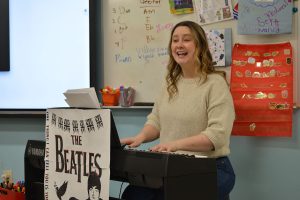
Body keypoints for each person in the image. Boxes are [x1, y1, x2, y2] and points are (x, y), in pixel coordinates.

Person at [120, 21, 235, 200]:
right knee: (133, 194)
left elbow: (217, 136)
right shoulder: (170, 84)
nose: (179, 45)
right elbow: (156, 121)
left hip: (211, 168)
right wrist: (140, 137)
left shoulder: (215, 84)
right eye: (175, 40)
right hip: (171, 168)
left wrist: (174, 145)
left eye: (186, 39)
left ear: (199, 46)